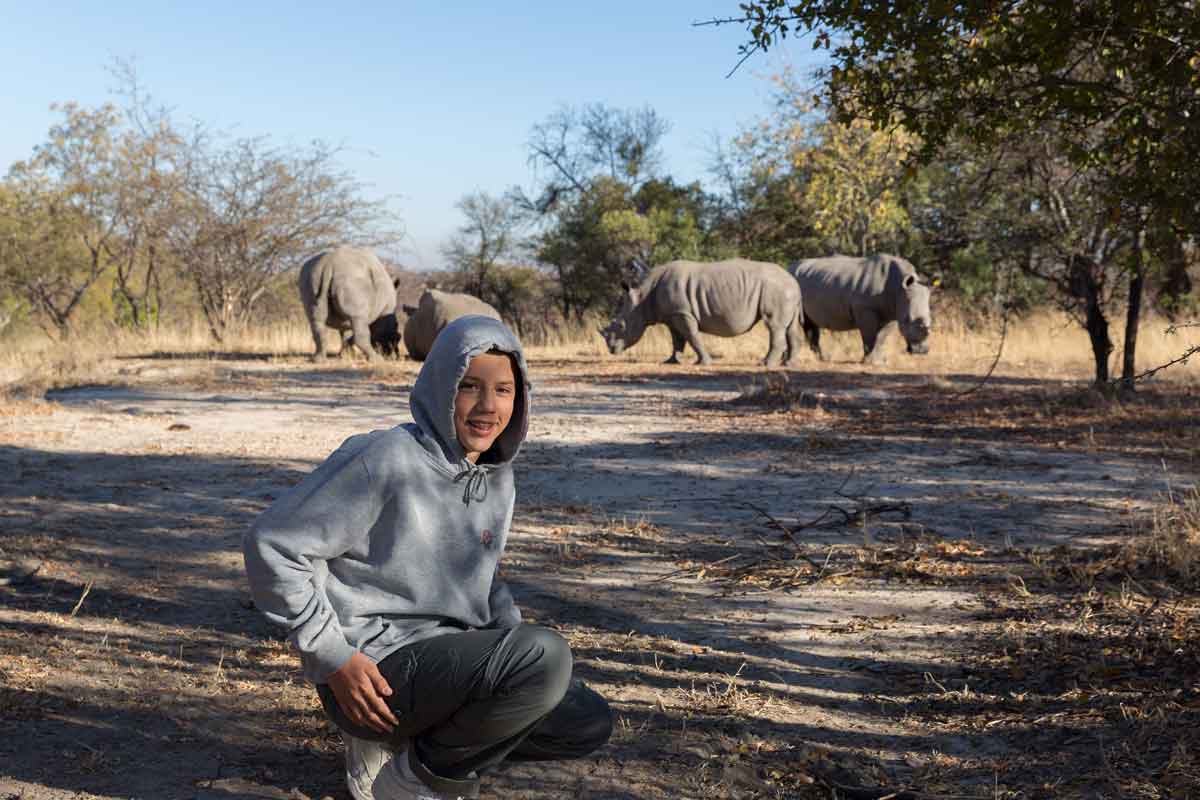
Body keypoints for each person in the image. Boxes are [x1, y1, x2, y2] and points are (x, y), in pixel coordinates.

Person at [244, 315, 612, 800]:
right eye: (470, 387)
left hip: (444, 664)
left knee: (586, 720)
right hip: (371, 673)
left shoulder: (496, 476)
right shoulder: (386, 456)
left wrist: (510, 645)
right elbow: (272, 543)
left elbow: (481, 578)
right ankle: (415, 782)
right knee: (546, 657)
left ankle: (410, 751)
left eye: (504, 390)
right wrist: (333, 658)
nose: (488, 406)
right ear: (441, 386)